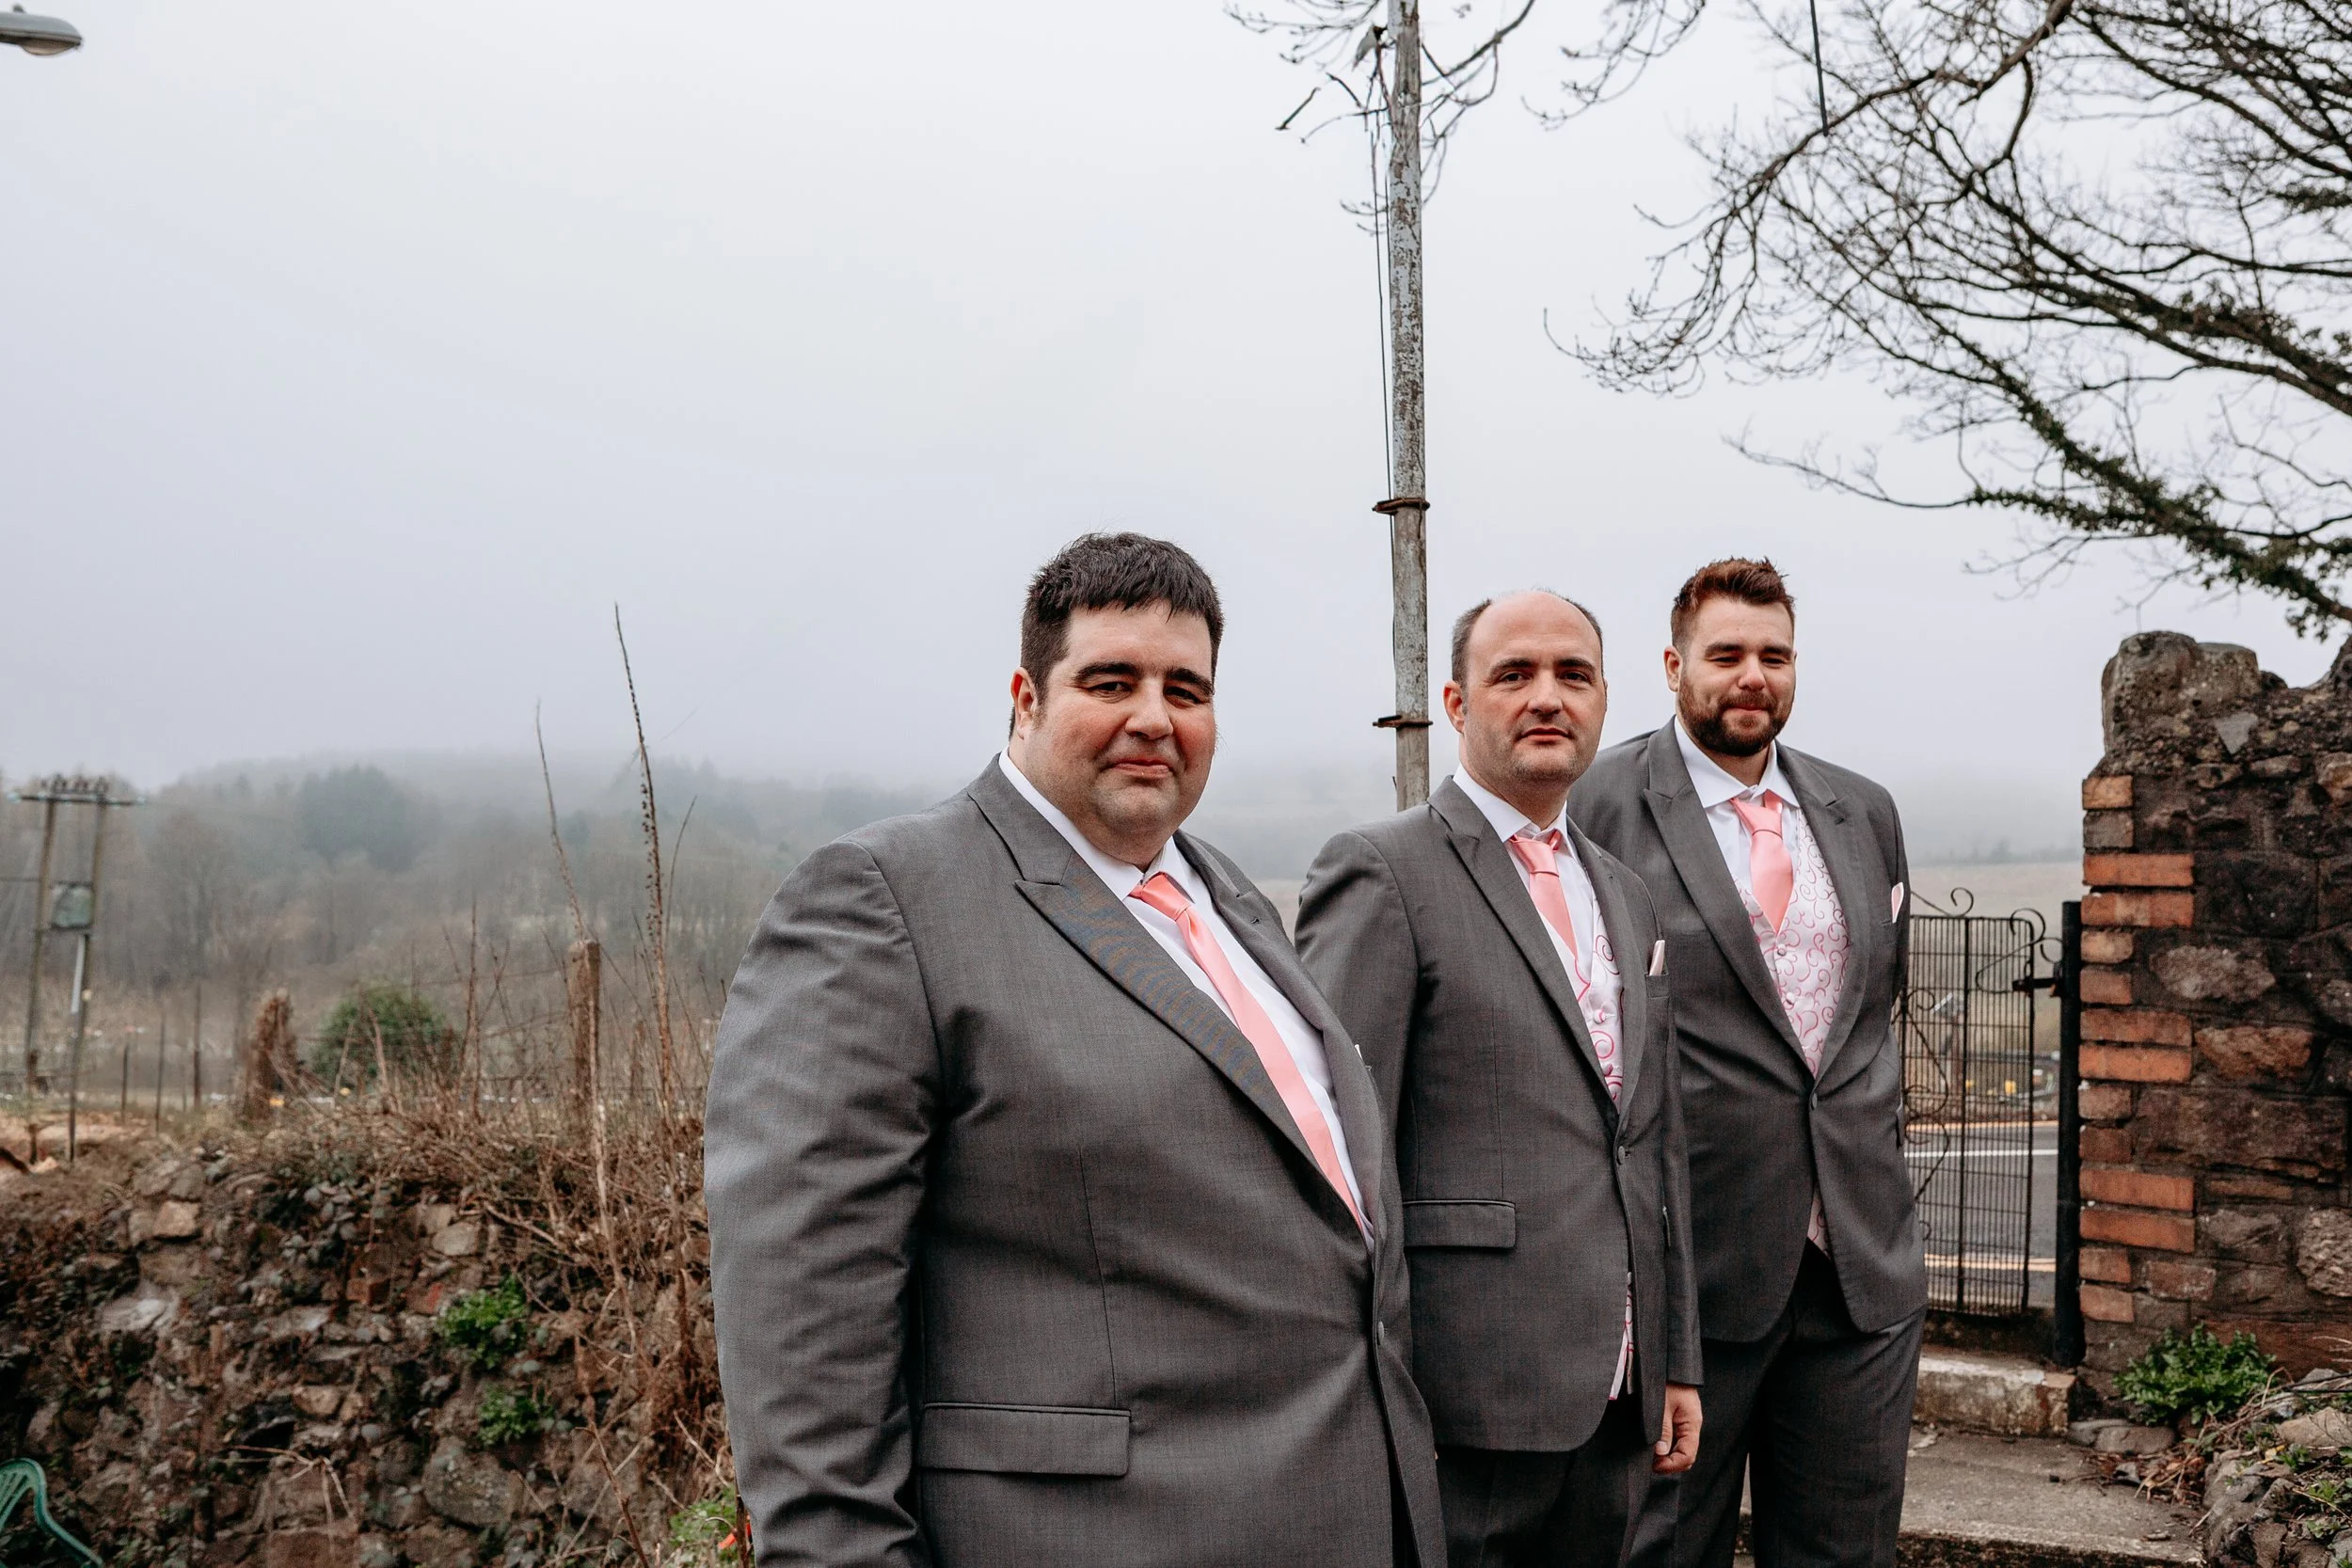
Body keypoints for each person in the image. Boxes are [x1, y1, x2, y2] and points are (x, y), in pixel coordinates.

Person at [704, 532, 1446, 1568]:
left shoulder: (1227, 895)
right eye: (1111, 681)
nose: (1154, 716)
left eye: (1186, 689)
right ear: (1026, 697)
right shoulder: (884, 901)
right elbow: (804, 1325)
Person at [1295, 590, 1702, 1568]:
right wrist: (1367, 1390)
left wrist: (1676, 1354)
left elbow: (1652, 1142)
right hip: (1457, 1398)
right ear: (1455, 701)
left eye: (1573, 674)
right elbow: (1334, 1156)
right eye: (1513, 674)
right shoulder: (1382, 872)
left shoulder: (1626, 892)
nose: (1546, 696)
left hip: (1618, 1394)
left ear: (1604, 698)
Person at [1569, 559, 1925, 1568]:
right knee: (1664, 1547)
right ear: (1673, 665)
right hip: (1691, 1269)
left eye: (1774, 654)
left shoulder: (1863, 809)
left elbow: (1871, 1006)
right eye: (1725, 654)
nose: (1752, 675)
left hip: (1859, 1265)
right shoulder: (1599, 805)